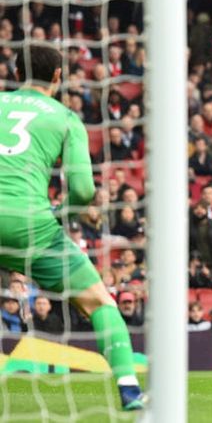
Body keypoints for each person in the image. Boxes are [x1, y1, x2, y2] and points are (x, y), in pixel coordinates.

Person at [0, 46, 144, 409]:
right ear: (58, 76)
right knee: (98, 301)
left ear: (16, 74)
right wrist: (65, 212)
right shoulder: (65, 118)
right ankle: (128, 389)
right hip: (30, 225)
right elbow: (83, 190)